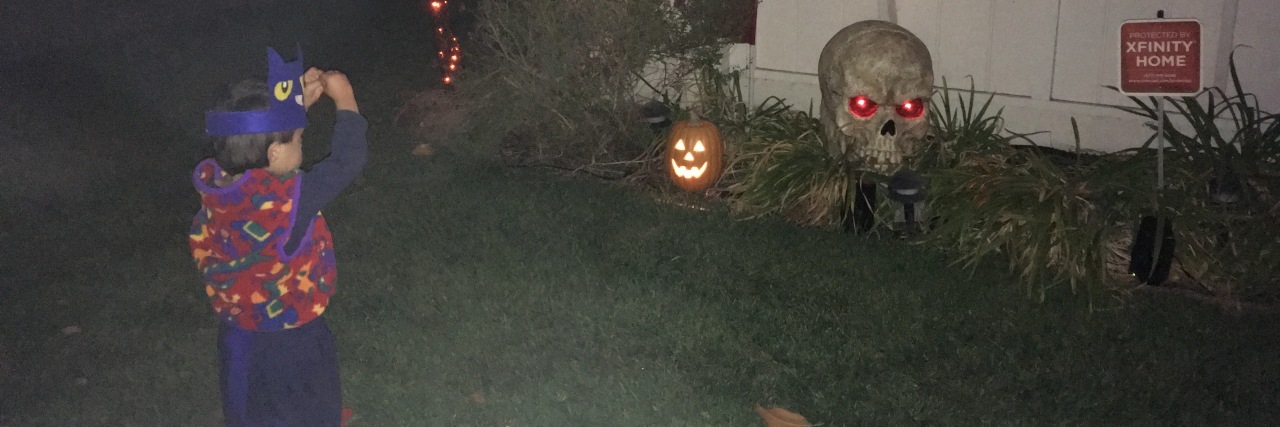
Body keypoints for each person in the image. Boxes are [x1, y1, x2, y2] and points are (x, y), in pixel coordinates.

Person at [189, 46, 366, 426]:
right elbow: (347, 160)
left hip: (239, 339)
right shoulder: (289, 205)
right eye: (298, 139)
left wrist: (295, 104)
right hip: (293, 342)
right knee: (306, 410)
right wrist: (346, 101)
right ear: (273, 153)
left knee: (255, 411)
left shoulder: (218, 194)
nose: (301, 143)